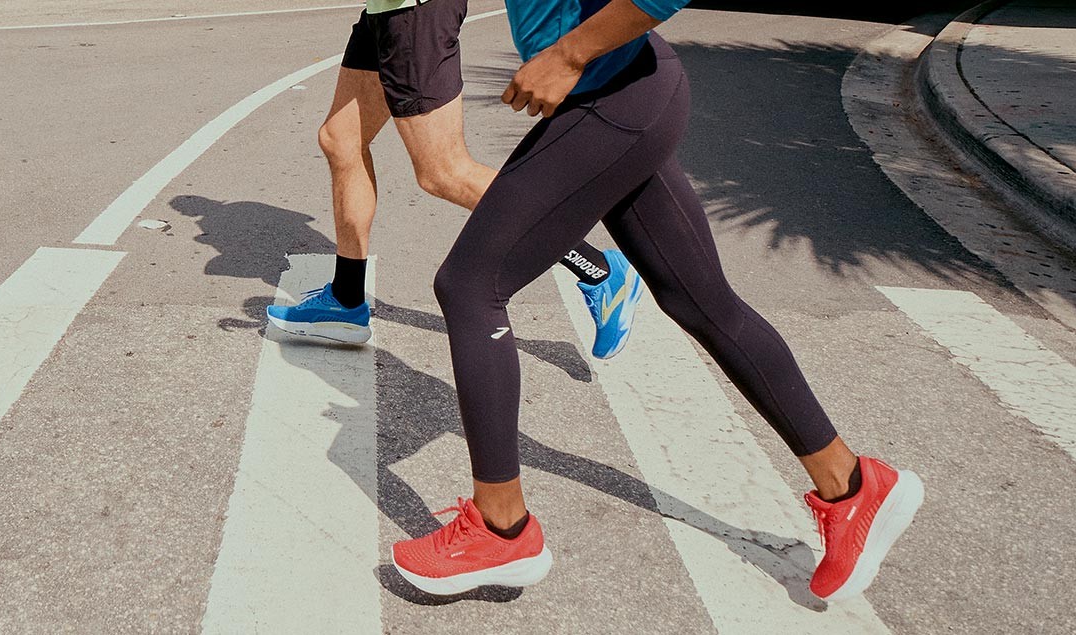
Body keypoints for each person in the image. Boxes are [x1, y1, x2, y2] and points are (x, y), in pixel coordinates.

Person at [389, 0, 925, 601]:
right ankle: (852, 486)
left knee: (469, 286)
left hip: (613, 100)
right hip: (624, 95)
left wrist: (567, 55)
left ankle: (500, 529)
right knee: (701, 302)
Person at [266, 0, 645, 360]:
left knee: (443, 171)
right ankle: (346, 299)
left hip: (415, 12)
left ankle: (599, 270)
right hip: (385, 10)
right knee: (340, 139)